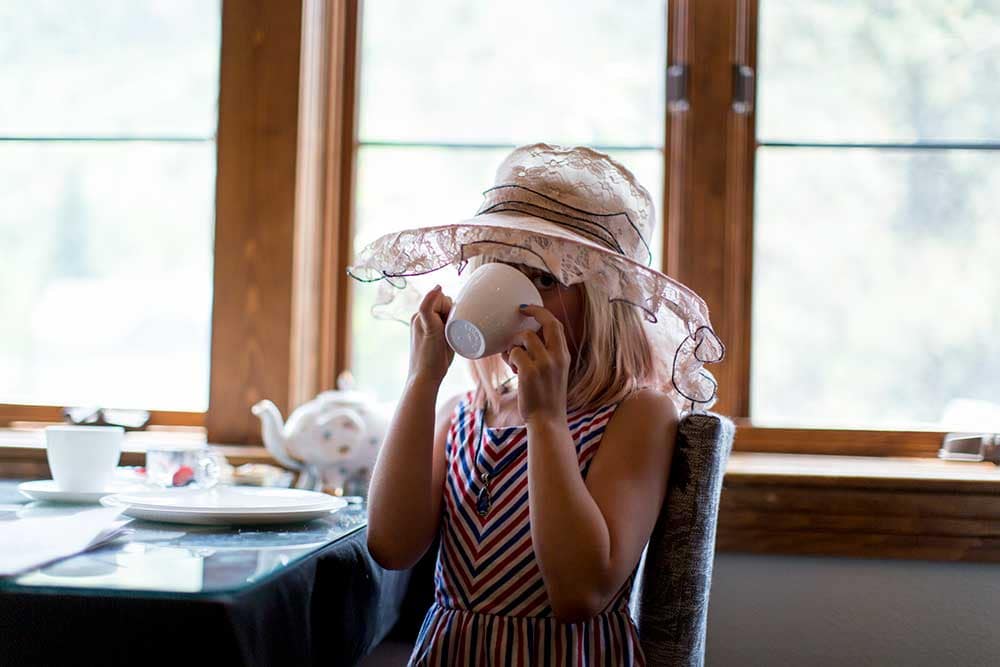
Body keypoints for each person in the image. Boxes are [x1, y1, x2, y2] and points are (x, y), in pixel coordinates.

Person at [351, 144, 723, 665]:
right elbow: (391, 546)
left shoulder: (637, 414)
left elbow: (580, 594)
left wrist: (545, 419)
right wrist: (421, 383)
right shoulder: (462, 412)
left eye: (545, 279)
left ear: (600, 304)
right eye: (498, 268)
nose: (516, 293)